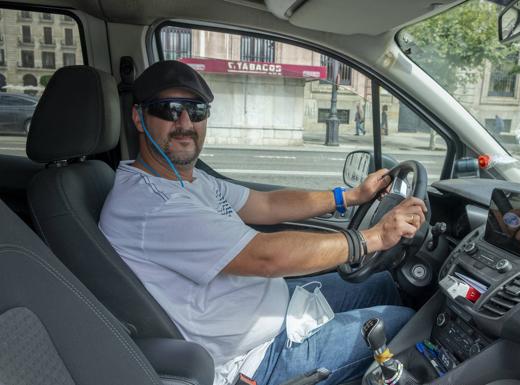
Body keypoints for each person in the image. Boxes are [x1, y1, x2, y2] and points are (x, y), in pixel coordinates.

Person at [99, 61, 427, 385]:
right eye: (169, 110)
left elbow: (268, 204)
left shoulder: (190, 179)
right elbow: (266, 257)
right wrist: (374, 237)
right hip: (257, 358)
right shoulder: (152, 205)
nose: (185, 122)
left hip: (279, 306)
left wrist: (350, 196)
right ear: (138, 118)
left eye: (196, 111)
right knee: (408, 324)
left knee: (385, 284)